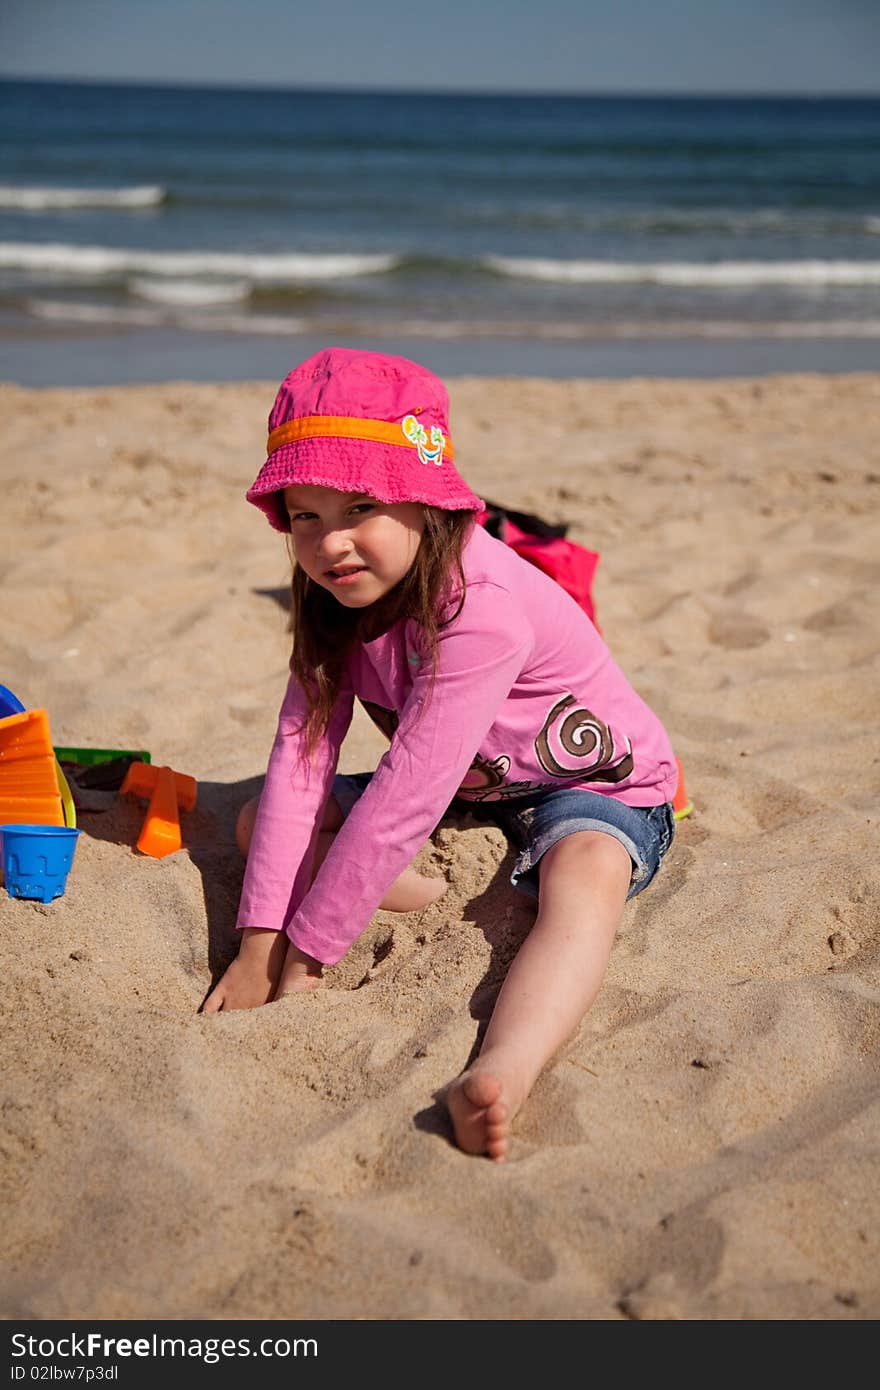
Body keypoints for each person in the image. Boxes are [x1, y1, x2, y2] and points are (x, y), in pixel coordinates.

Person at [204, 346, 678, 1162]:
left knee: (588, 873)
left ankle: (504, 1067)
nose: (330, 545)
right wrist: (256, 945)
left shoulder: (480, 606)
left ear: (427, 502)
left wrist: (308, 958)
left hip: (591, 780)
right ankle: (441, 899)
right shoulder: (332, 604)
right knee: (256, 822)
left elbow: (404, 794)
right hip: (470, 786)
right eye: (305, 516)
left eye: (358, 507)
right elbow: (299, 759)